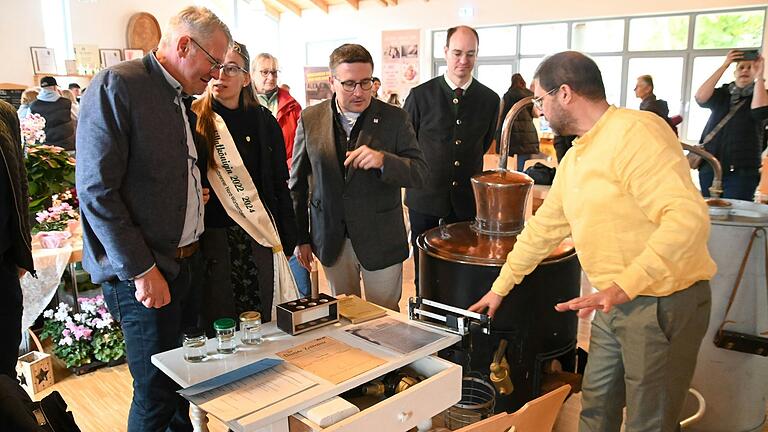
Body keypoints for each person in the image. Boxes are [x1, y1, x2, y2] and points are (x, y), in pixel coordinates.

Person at [469, 51, 716, 432]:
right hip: (611, 303)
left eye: (540, 99)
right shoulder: (578, 154)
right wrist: (500, 287)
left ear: (564, 93)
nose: (539, 110)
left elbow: (687, 219)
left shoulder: (637, 132)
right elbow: (544, 229)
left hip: (660, 302)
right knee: (596, 407)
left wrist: (624, 287)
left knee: (649, 421)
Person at [76, 7, 231, 431]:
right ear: (184, 45)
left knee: (185, 388)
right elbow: (96, 191)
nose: (217, 74)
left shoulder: (178, 96)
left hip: (185, 266)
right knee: (156, 394)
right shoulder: (119, 85)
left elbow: (154, 175)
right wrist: (143, 270)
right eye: (214, 62)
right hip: (146, 275)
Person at [290, 44, 426, 311]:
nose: (359, 92)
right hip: (331, 239)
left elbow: (420, 173)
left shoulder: (395, 119)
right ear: (332, 82)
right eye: (349, 84)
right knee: (343, 315)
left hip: (381, 239)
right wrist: (301, 237)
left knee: (384, 319)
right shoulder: (310, 119)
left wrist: (385, 161)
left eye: (366, 83)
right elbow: (297, 185)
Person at [192, 42, 297, 328]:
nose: (220, 76)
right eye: (215, 67)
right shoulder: (194, 119)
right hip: (212, 238)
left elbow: (279, 183)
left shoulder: (263, 121)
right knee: (221, 317)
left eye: (230, 69)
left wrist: (289, 237)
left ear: (245, 77)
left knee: (262, 314)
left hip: (257, 233)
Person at [403, 25, 499, 292]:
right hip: (425, 197)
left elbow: (484, 142)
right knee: (425, 267)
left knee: (462, 265)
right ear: (445, 52)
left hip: (467, 200)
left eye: (470, 54)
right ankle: (424, 314)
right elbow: (406, 144)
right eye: (457, 52)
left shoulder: (490, 100)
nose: (463, 61)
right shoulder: (420, 96)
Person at [251, 52, 310, 297]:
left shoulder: (292, 107)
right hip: (257, 192)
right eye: (264, 72)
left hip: (288, 185)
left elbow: (301, 148)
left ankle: (302, 300)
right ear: (252, 75)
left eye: (274, 72)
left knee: (294, 254)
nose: (270, 77)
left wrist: (286, 166)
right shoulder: (246, 107)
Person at [695, 49, 768, 200]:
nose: (745, 70)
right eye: (741, 67)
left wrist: (760, 76)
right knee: (709, 212)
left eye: (750, 67)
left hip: (743, 170)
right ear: (735, 72)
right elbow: (700, 98)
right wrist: (724, 65)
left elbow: (760, 112)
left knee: (736, 214)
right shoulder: (723, 93)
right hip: (711, 165)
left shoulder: (762, 94)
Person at [0, 99, 34, 380]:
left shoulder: (4, 113)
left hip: (4, 264)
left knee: (5, 370)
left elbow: (20, 182)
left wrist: (23, 245)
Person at [495, 73, 539, 171]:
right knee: (524, 165)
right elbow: (536, 114)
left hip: (510, 134)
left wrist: (497, 132)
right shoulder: (530, 96)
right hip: (527, 136)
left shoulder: (507, 95)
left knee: (509, 164)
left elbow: (500, 114)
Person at [29, 76, 75, 151]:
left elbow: (30, 126)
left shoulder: (33, 105)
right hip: (66, 145)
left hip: (44, 147)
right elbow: (77, 117)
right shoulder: (66, 102)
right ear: (54, 87)